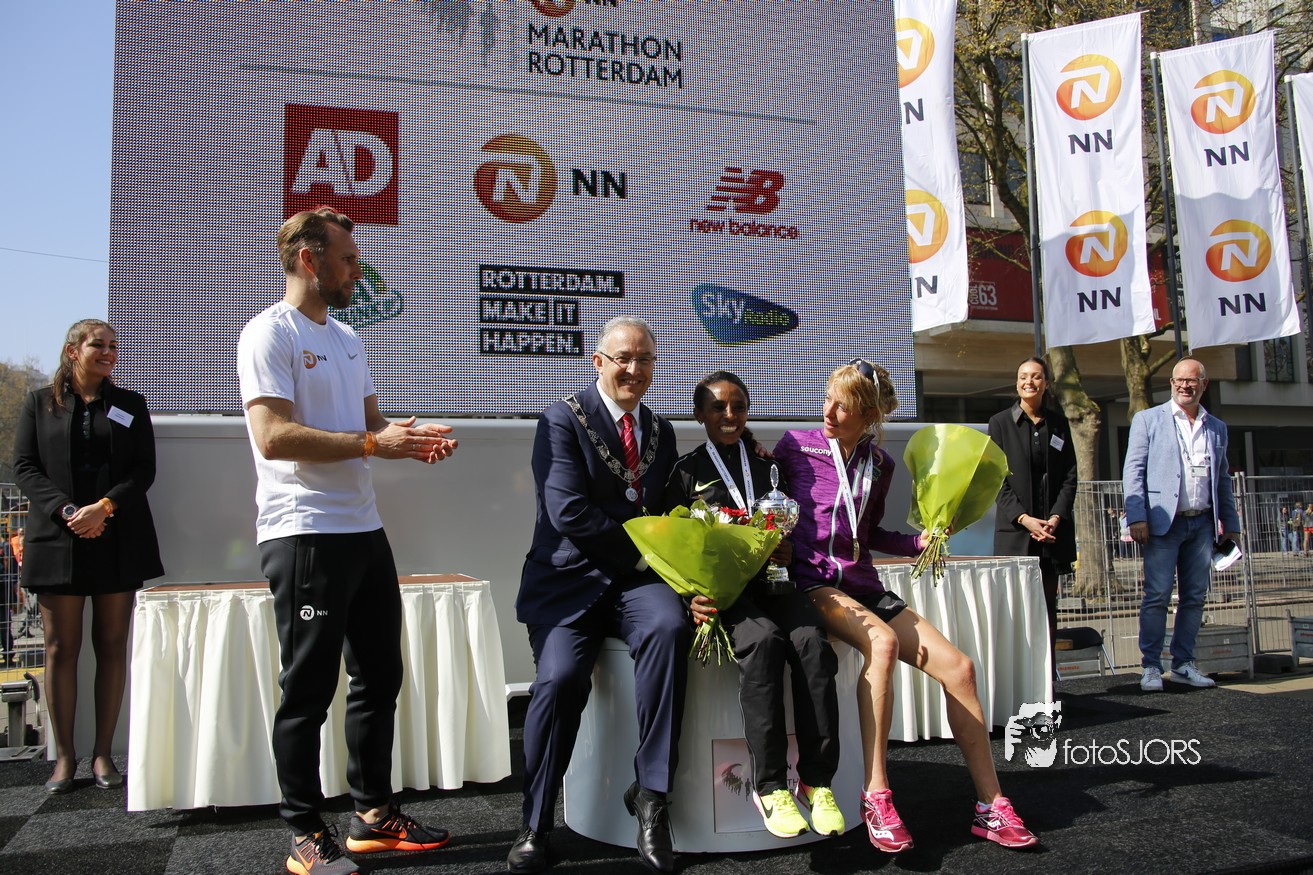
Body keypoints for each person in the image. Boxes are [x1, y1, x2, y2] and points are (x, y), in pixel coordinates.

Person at [238, 207, 459, 875]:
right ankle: (305, 831)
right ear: (310, 260)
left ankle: (372, 815)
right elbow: (273, 437)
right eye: (348, 260)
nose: (357, 272)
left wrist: (409, 441)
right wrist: (371, 442)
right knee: (307, 689)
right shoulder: (267, 333)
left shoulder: (348, 337)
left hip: (363, 529)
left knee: (379, 675)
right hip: (303, 532)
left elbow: (371, 427)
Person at [773, 359, 1037, 854]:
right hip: (814, 584)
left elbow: (868, 533)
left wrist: (921, 542)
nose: (828, 411)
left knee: (960, 668)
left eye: (843, 406)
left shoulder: (880, 464)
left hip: (864, 585)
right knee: (883, 641)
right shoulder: (795, 446)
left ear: (870, 414)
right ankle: (876, 795)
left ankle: (991, 804)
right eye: (828, 398)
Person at [511, 316, 687, 874]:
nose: (634, 369)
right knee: (560, 680)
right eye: (623, 358)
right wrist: (644, 554)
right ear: (598, 362)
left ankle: (652, 797)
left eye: (645, 359)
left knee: (670, 627)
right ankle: (535, 823)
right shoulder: (562, 420)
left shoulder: (661, 431)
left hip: (636, 585)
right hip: (571, 581)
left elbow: (669, 513)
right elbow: (568, 511)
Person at [665, 371, 844, 839]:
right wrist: (690, 597)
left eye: (738, 406)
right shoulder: (685, 473)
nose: (730, 415)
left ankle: (817, 781)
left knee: (813, 643)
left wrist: (785, 549)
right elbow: (674, 548)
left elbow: (787, 526)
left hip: (776, 586)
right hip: (728, 595)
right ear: (699, 415)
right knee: (763, 641)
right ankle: (771, 787)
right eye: (718, 407)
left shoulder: (769, 466)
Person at [11, 319, 164, 792]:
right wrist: (68, 511)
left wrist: (104, 508)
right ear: (72, 351)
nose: (109, 352)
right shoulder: (40, 403)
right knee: (60, 648)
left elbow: (144, 470)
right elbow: (25, 467)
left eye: (113, 346)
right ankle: (64, 758)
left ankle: (102, 755)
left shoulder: (130, 404)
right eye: (99, 344)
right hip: (57, 540)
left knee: (112, 646)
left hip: (117, 538)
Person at [1123, 357, 1241, 692]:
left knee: (1194, 597)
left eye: (1192, 381)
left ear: (1204, 384)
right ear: (1171, 383)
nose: (1185, 386)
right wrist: (1137, 516)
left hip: (1202, 523)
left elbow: (1222, 479)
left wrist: (1231, 523)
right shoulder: (1148, 420)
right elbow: (1133, 471)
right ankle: (1150, 666)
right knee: (1157, 595)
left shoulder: (1216, 427)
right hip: (1163, 523)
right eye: (1179, 380)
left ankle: (1183, 664)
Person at [986, 357, 1078, 663]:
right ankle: (1018, 678)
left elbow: (1070, 475)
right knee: (1015, 609)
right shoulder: (1000, 423)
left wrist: (1055, 517)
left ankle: (1047, 680)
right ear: (1016, 383)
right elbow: (995, 479)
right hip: (1016, 534)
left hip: (1051, 535)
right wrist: (1025, 519)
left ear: (1047, 383)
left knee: (1047, 608)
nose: (1029, 381)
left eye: (1036, 376)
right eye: (1023, 376)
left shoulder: (1059, 423)